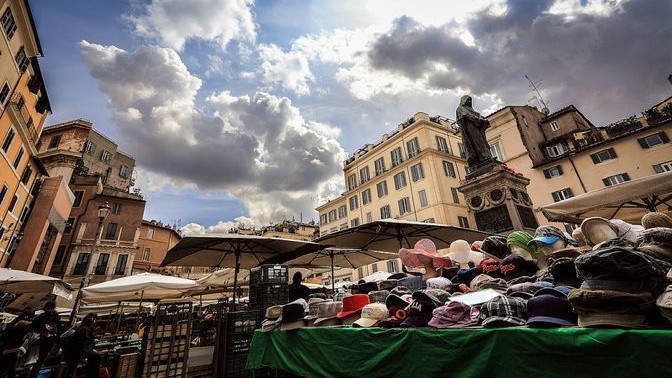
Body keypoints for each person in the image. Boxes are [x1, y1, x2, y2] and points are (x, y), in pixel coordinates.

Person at [456, 95, 493, 168]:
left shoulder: (470, 109)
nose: (469, 102)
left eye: (470, 100)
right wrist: (480, 120)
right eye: (468, 100)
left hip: (476, 127)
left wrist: (482, 119)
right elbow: (468, 116)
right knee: (478, 142)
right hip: (470, 129)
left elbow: (476, 115)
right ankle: (484, 157)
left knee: (482, 141)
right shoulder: (460, 108)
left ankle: (486, 157)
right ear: (464, 101)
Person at [29, 301, 62, 378]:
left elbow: (32, 328)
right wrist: (59, 346)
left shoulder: (41, 317)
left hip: (37, 343)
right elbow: (57, 334)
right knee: (38, 363)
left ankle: (29, 375)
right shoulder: (56, 318)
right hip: (46, 344)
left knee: (32, 362)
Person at [63, 314, 100, 378]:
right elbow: (83, 344)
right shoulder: (85, 329)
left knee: (95, 356)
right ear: (92, 321)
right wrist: (84, 357)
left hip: (73, 354)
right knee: (95, 358)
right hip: (74, 355)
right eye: (95, 321)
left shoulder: (83, 328)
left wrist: (91, 349)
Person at [0, 310, 34, 378]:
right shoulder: (30, 327)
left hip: (7, 348)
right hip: (17, 350)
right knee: (12, 368)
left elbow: (4, 335)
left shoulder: (14, 322)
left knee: (4, 367)